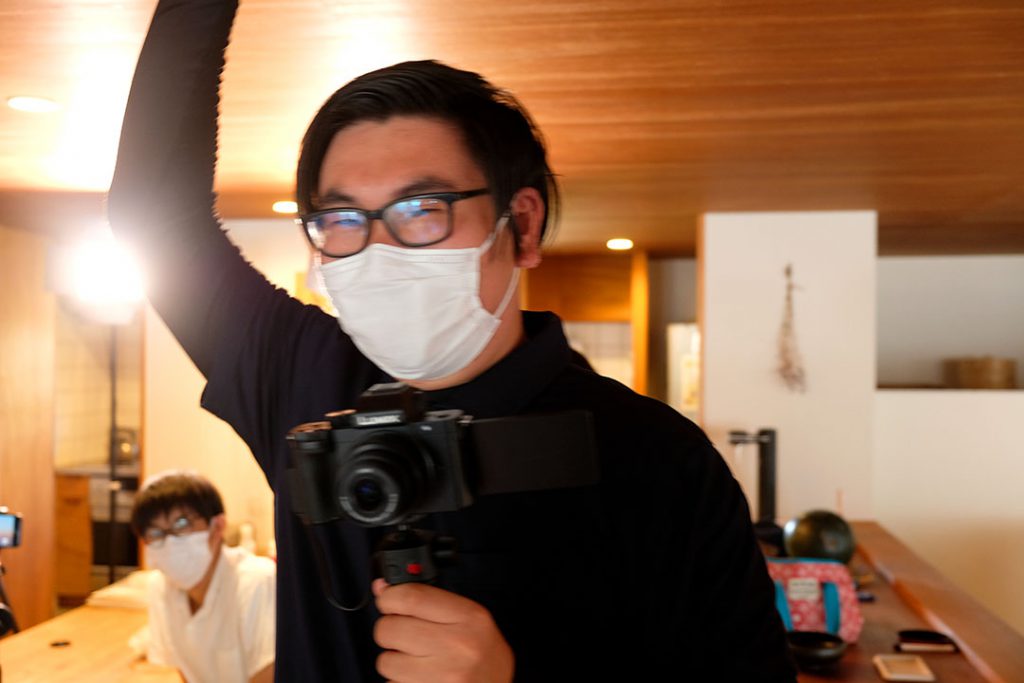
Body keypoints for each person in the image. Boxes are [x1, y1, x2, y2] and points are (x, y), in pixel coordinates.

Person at [108, 1, 796, 681]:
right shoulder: (305, 377)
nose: (378, 250)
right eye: (342, 219)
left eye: (421, 210)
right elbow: (152, 214)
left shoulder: (654, 460)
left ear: (522, 226)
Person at [129, 470, 276, 683]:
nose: (170, 542)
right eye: (155, 533)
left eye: (181, 525)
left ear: (217, 527)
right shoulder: (160, 588)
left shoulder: (257, 582)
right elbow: (186, 672)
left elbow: (270, 676)